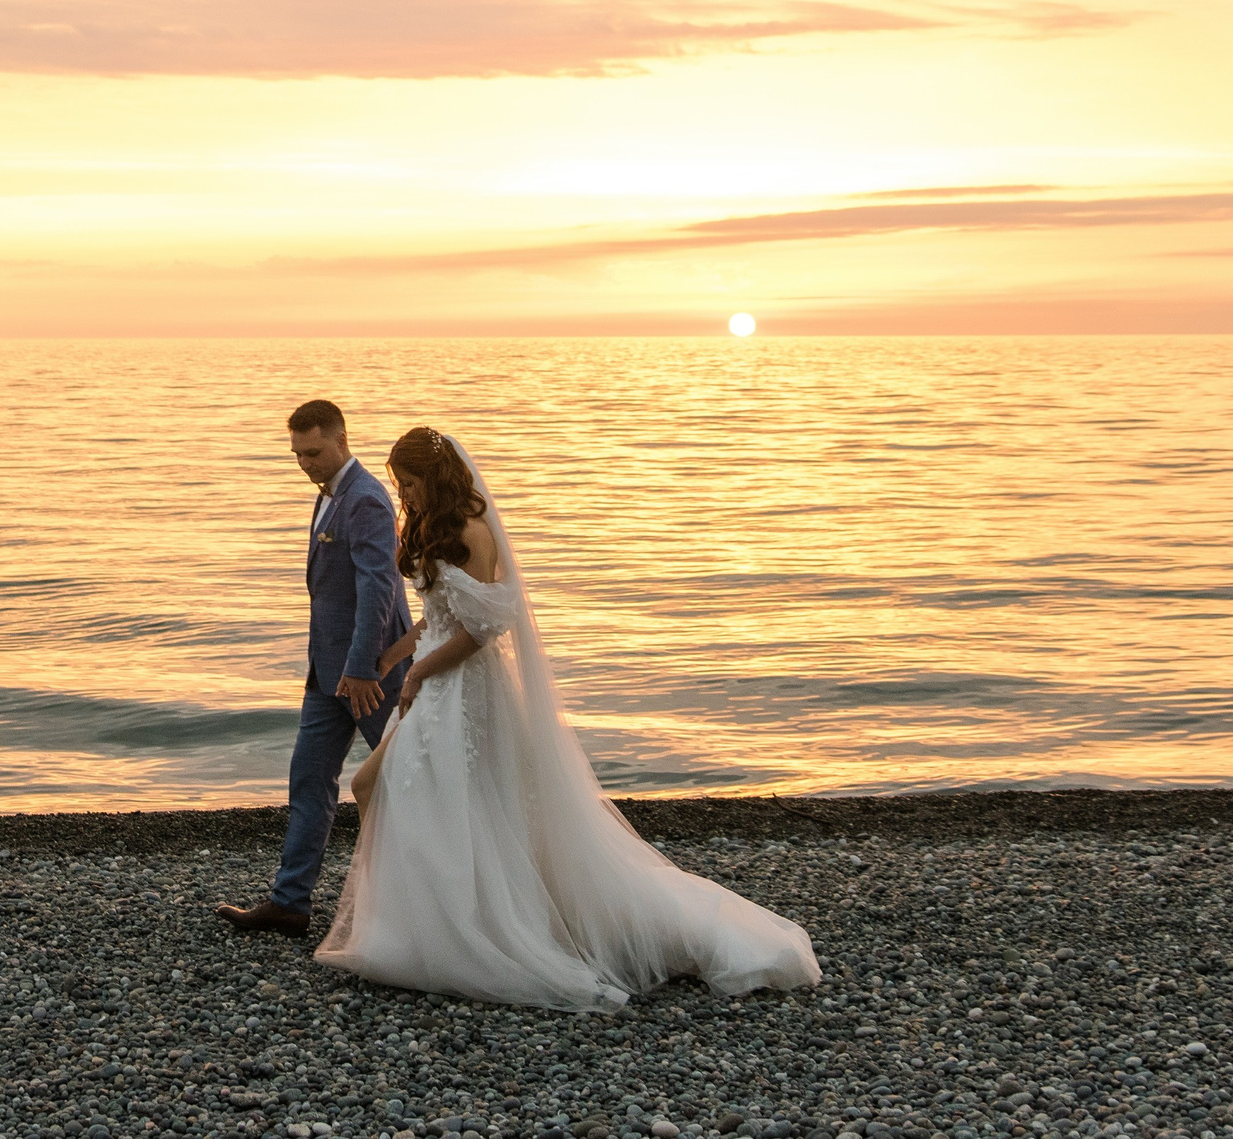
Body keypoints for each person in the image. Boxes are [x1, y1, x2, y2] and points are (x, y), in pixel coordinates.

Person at [318, 426, 820, 1009]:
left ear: (437, 477)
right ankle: (414, 921)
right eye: (401, 484)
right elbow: (441, 613)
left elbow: (482, 630)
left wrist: (418, 674)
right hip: (433, 683)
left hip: (463, 689)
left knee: (425, 797)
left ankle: (471, 929)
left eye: (410, 483)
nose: (405, 494)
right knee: (380, 787)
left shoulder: (473, 532)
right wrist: (393, 656)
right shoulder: (432, 527)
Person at [216, 399, 414, 937]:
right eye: (298, 455)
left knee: (409, 780)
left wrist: (363, 668)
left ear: (341, 440)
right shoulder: (328, 494)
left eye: (314, 452)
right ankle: (290, 903)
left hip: (370, 674)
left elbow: (378, 587)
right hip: (326, 674)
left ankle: (427, 900)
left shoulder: (366, 498)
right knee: (308, 780)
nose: (305, 464)